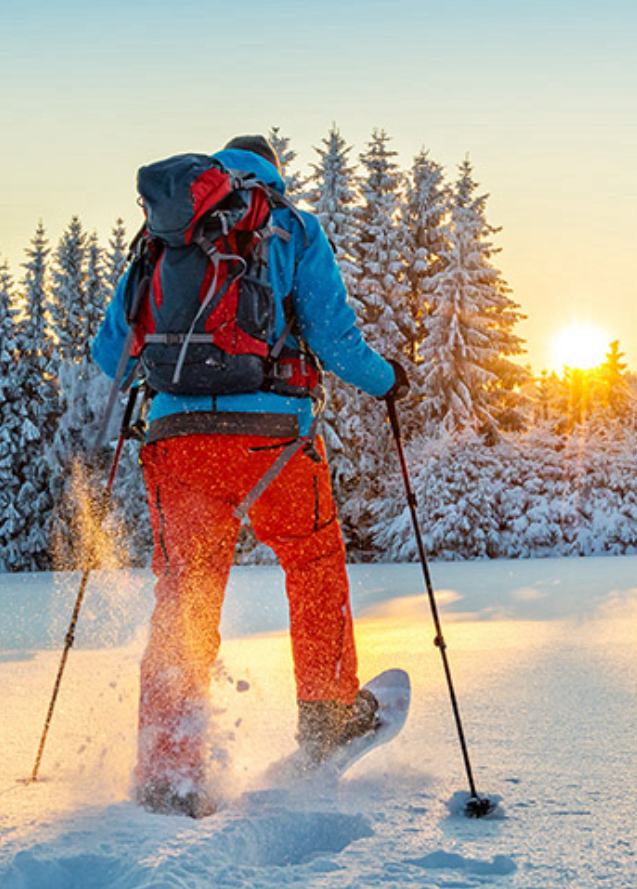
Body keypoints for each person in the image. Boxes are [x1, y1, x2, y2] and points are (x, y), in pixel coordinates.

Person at [93, 135, 409, 816]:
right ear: (272, 174)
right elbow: (333, 339)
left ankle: (169, 770)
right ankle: (327, 717)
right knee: (313, 561)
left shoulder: (163, 236)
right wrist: (387, 382)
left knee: (185, 595)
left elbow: (110, 352)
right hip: (274, 442)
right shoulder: (289, 225)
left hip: (176, 444)